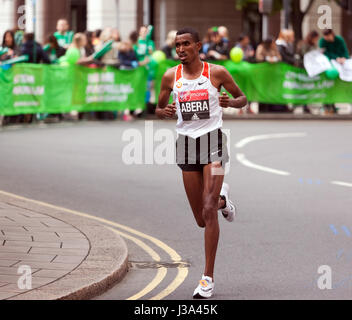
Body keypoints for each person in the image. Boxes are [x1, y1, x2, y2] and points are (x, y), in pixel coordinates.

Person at [155, 27, 247, 299]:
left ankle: (207, 278)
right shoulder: (170, 76)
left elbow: (242, 98)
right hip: (186, 145)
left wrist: (231, 103)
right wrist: (165, 111)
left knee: (207, 209)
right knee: (201, 218)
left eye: (186, 44)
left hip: (213, 143)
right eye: (177, 45)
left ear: (198, 46)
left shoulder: (216, 73)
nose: (181, 49)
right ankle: (223, 201)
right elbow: (157, 108)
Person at [319, 29, 349, 114]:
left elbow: (345, 51)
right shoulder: (322, 42)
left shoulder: (339, 40)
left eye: (328, 37)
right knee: (327, 86)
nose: (326, 39)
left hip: (340, 65)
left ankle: (332, 105)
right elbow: (324, 53)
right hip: (329, 66)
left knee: (335, 86)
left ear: (332, 34)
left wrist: (344, 58)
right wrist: (336, 58)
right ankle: (326, 105)